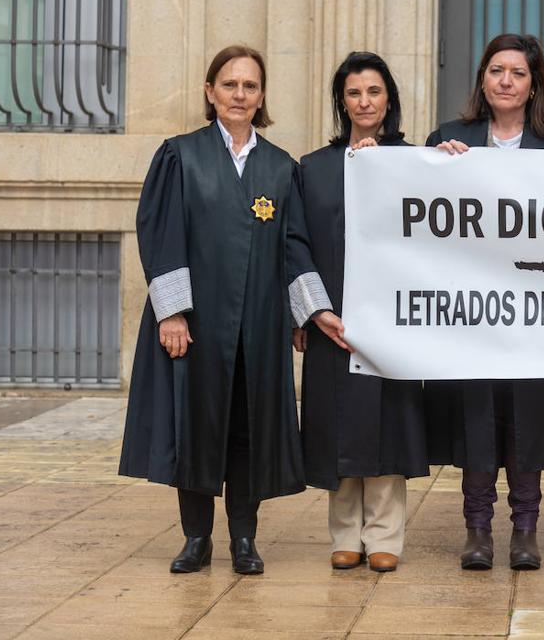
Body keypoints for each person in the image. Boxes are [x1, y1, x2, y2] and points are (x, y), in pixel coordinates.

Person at [118, 44, 305, 575]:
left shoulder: (279, 166)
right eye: (229, 85)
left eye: (249, 86)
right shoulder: (181, 155)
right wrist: (171, 312)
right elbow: (161, 233)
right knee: (195, 426)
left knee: (248, 429)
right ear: (210, 92)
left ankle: (244, 539)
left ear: (261, 95)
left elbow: (294, 247)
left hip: (259, 324)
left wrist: (302, 316)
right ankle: (196, 538)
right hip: (196, 323)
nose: (239, 95)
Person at [425, 33, 544, 571]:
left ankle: (525, 531)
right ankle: (477, 532)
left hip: (534, 318)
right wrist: (435, 166)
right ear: (482, 78)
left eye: (517, 73)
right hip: (471, 316)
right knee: (477, 418)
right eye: (496, 70)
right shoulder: (450, 140)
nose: (505, 81)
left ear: (533, 83)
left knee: (529, 418)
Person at [286, 52, 430, 573]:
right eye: (353, 93)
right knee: (336, 421)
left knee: (388, 420)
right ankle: (344, 534)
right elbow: (295, 243)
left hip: (391, 320)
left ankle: (386, 534)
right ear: (341, 102)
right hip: (333, 319)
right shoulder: (314, 168)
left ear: (388, 97)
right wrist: (313, 313)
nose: (364, 101)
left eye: (373, 91)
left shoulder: (413, 160)